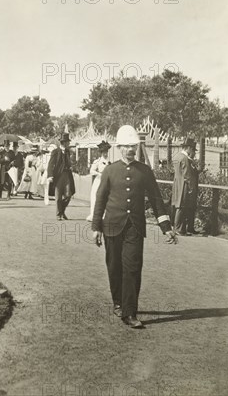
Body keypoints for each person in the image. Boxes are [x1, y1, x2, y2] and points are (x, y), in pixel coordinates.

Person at [91, 125, 178, 329]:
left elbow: (157, 200)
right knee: (114, 267)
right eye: (127, 146)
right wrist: (96, 227)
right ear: (119, 147)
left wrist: (166, 226)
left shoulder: (145, 171)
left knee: (132, 268)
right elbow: (100, 199)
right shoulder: (110, 171)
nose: (130, 150)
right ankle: (118, 302)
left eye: (133, 146)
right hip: (111, 226)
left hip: (135, 228)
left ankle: (130, 312)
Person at [171, 137, 200, 235]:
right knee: (181, 206)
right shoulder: (184, 159)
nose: (192, 151)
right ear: (188, 148)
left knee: (178, 206)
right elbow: (187, 175)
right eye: (191, 149)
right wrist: (191, 188)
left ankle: (178, 228)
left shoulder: (176, 156)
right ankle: (179, 229)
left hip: (177, 184)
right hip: (184, 185)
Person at [47, 133, 75, 220]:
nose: (69, 144)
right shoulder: (55, 152)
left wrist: (71, 166)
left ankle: (62, 210)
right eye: (67, 142)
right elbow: (50, 164)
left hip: (67, 175)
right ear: (64, 143)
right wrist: (50, 175)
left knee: (68, 195)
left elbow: (69, 162)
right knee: (58, 197)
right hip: (58, 176)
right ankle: (59, 214)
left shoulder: (68, 152)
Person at [86, 141, 112, 221]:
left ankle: (104, 215)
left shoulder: (109, 162)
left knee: (106, 197)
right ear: (101, 152)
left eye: (106, 152)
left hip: (106, 182)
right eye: (104, 152)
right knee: (95, 197)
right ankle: (93, 215)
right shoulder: (97, 162)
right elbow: (91, 171)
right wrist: (99, 174)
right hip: (98, 181)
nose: (105, 154)